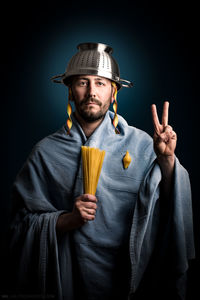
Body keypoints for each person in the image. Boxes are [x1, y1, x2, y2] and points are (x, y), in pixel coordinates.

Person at [8, 42, 195, 300]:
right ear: (70, 91)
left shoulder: (143, 145)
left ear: (114, 92)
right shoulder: (45, 152)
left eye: (100, 83)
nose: (91, 92)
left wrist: (167, 160)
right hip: (68, 280)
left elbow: (170, 209)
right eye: (83, 83)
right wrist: (65, 220)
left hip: (130, 282)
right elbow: (18, 228)